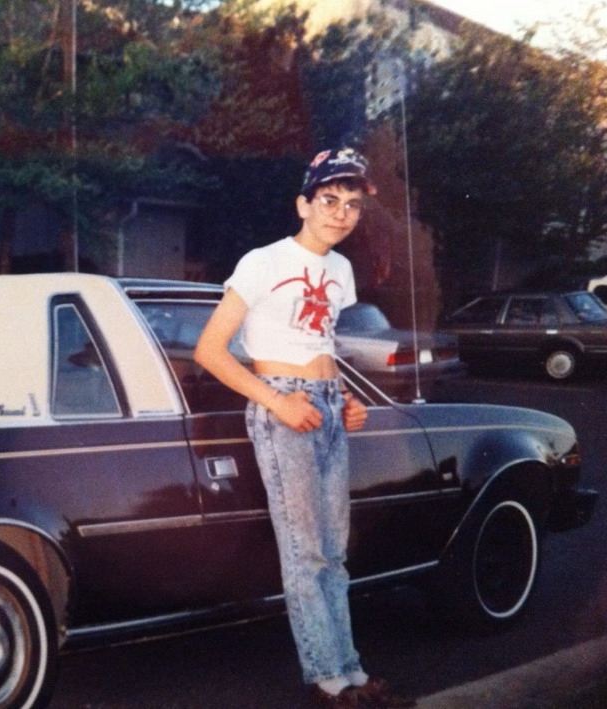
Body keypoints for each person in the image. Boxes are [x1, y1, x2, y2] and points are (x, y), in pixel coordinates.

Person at [194, 148, 414, 709]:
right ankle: (328, 682)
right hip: (283, 407)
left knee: (335, 552)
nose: (341, 213)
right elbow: (210, 350)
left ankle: (353, 673)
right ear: (303, 205)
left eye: (352, 204)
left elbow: (320, 345)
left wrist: (346, 399)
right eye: (329, 200)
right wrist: (277, 403)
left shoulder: (340, 271)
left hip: (326, 407)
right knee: (307, 553)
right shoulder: (263, 262)